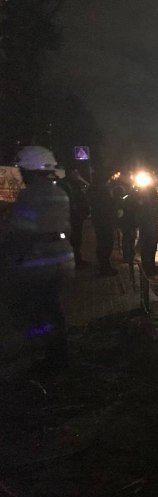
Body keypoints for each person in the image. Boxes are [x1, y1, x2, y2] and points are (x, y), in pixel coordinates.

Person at [0, 146, 74, 366]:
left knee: (34, 308)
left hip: (38, 262)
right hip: (62, 259)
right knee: (52, 306)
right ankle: (58, 350)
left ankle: (47, 351)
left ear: (30, 169)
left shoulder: (29, 195)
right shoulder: (60, 192)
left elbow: (20, 231)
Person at [88, 170, 118, 276]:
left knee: (104, 243)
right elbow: (106, 205)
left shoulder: (97, 188)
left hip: (101, 219)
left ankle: (104, 265)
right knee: (105, 243)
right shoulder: (100, 189)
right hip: (103, 220)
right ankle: (104, 267)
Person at [59, 168, 90, 267]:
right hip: (72, 217)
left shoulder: (74, 184)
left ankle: (77, 259)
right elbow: (71, 201)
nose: (77, 175)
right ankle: (74, 261)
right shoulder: (66, 185)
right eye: (75, 173)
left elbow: (87, 189)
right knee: (73, 239)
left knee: (77, 239)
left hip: (77, 216)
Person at [137, 181, 158, 276]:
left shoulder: (154, 199)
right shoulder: (145, 200)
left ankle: (152, 266)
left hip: (153, 225)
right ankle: (146, 267)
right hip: (147, 226)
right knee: (146, 247)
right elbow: (143, 214)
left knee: (152, 246)